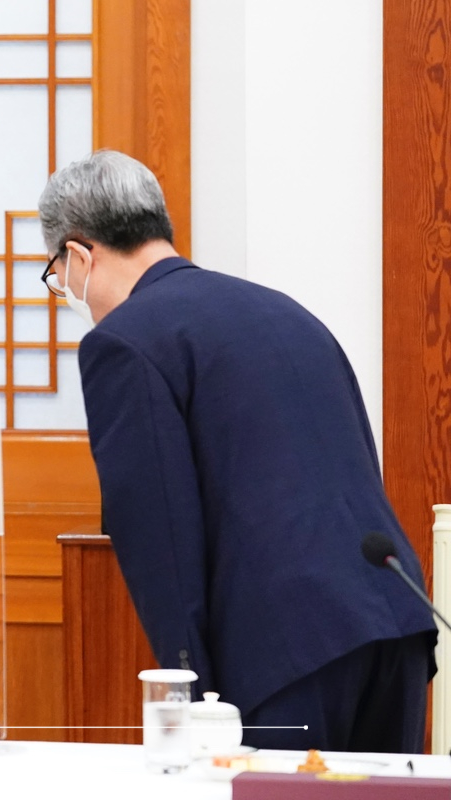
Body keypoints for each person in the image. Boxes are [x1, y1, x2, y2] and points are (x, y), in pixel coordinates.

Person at [36, 149, 437, 753]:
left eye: (58, 276)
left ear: (79, 254)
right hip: (395, 627)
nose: (67, 291)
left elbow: (157, 535)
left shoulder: (123, 342)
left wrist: (193, 700)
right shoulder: (287, 313)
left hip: (287, 653)